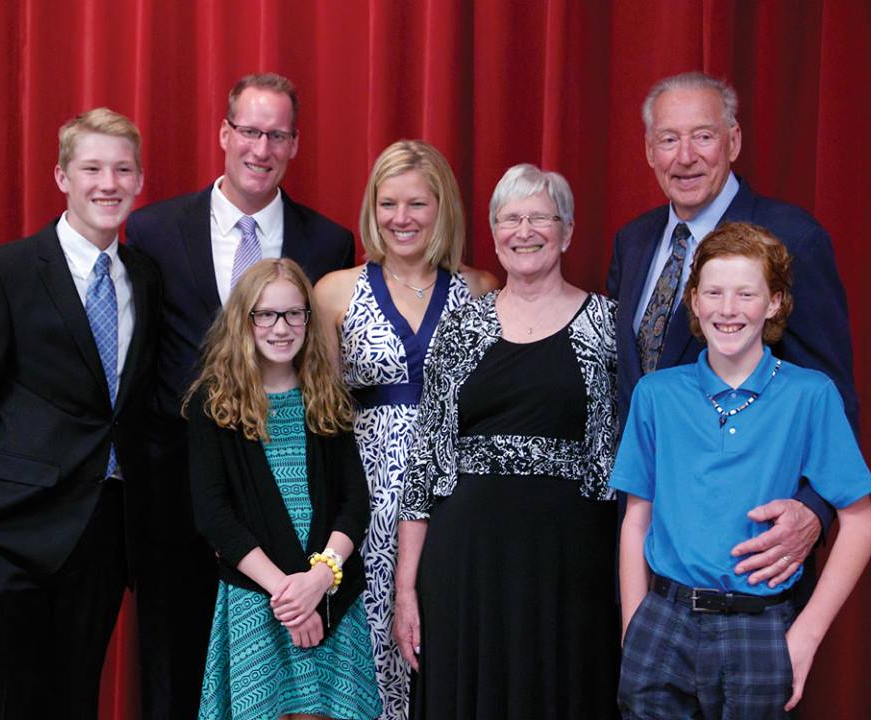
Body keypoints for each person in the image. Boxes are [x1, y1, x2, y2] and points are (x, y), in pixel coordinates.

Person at [125, 72, 356, 718]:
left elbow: (322, 369)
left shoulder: (328, 243)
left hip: (288, 496)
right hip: (177, 489)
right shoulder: (153, 230)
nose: (262, 148)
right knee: (174, 662)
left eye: (277, 135)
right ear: (224, 133)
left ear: (295, 144)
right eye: (250, 131)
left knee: (284, 676)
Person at [0, 108, 160, 719]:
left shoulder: (145, 277)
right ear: (62, 177)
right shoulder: (1, 273)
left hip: (104, 533)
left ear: (140, 180)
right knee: (4, 706)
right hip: (10, 532)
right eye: (92, 169)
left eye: (123, 170)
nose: (108, 184)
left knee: (74, 702)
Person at [606, 71, 858, 592]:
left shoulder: (794, 238)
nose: (685, 157)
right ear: (649, 151)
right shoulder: (633, 242)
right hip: (645, 540)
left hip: (750, 555)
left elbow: (834, 398)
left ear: (733, 141)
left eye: (703, 136)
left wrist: (813, 511)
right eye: (668, 140)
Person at [611, 222, 871, 718]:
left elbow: (860, 521)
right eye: (713, 292)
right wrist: (633, 627)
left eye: (746, 294)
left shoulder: (811, 394)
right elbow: (636, 518)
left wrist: (807, 634)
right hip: (663, 620)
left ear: (775, 303)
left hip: (758, 627)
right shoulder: (656, 394)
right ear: (693, 301)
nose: (727, 309)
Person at [397, 164, 620, 718]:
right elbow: (424, 464)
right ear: (494, 234)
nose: (524, 231)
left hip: (570, 563)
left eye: (540, 217)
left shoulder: (608, 326)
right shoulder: (460, 326)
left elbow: (624, 458)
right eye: (510, 219)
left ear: (567, 231)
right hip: (465, 561)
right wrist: (406, 589)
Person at [314, 139, 497, 718]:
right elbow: (321, 415)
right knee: (372, 642)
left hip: (455, 493)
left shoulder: (481, 289)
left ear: (443, 208)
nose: (401, 218)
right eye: (388, 203)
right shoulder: (335, 291)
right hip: (367, 496)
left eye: (417, 203)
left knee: (450, 634)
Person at [186, 258, 381, 720]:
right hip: (257, 594)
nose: (281, 327)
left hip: (329, 593)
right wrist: (290, 597)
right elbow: (213, 514)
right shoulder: (213, 403)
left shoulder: (326, 396)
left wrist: (320, 579)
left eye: (294, 314)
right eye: (267, 314)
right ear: (244, 320)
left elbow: (355, 502)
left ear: (308, 320)